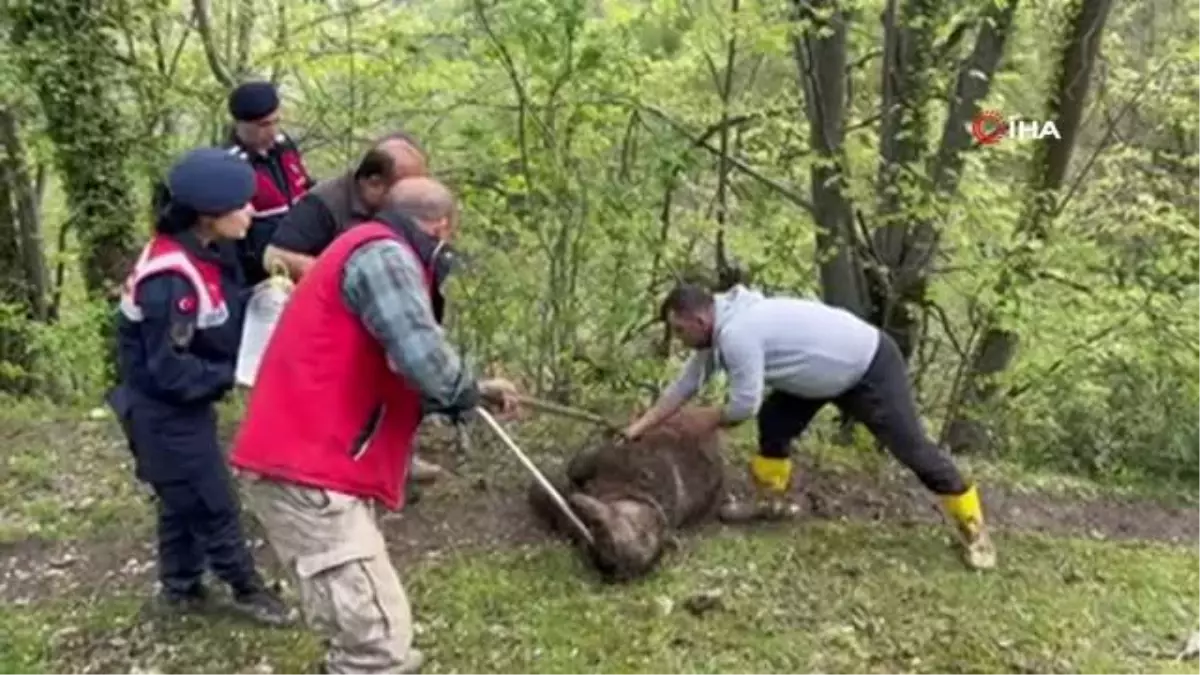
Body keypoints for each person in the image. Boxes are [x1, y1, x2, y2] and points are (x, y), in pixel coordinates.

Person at [228, 177, 520, 675]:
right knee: (376, 642)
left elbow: (385, 363)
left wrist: (475, 388)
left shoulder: (360, 249)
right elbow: (421, 357)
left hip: (314, 460)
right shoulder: (383, 257)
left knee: (370, 627)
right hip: (309, 468)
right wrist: (462, 391)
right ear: (443, 225)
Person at [622, 282, 998, 571]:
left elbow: (742, 407)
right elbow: (684, 386)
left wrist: (698, 421)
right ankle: (771, 502)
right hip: (820, 375)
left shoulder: (737, 333)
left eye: (680, 330)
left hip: (868, 366)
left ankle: (973, 527)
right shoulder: (720, 324)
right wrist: (640, 426)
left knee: (912, 450)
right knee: (775, 422)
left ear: (700, 320)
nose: (680, 341)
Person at [106, 148, 295, 625]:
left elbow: (223, 305)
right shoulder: (171, 282)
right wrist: (232, 375)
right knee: (213, 500)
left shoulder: (206, 248)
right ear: (210, 216)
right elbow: (171, 370)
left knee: (179, 496)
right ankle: (247, 590)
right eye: (242, 206)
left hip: (179, 408)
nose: (251, 212)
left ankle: (180, 585)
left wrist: (262, 297)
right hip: (163, 411)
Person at [263, 131, 448, 486]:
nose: (414, 197)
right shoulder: (323, 203)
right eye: (406, 187)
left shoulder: (402, 216)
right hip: (331, 328)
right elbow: (273, 256)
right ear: (375, 182)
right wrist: (346, 276)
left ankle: (394, 458)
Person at [225, 80, 316, 286]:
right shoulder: (232, 167)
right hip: (263, 274)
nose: (273, 131)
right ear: (241, 125)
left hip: (305, 257)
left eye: (276, 122)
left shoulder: (285, 147)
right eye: (264, 125)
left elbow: (304, 187)